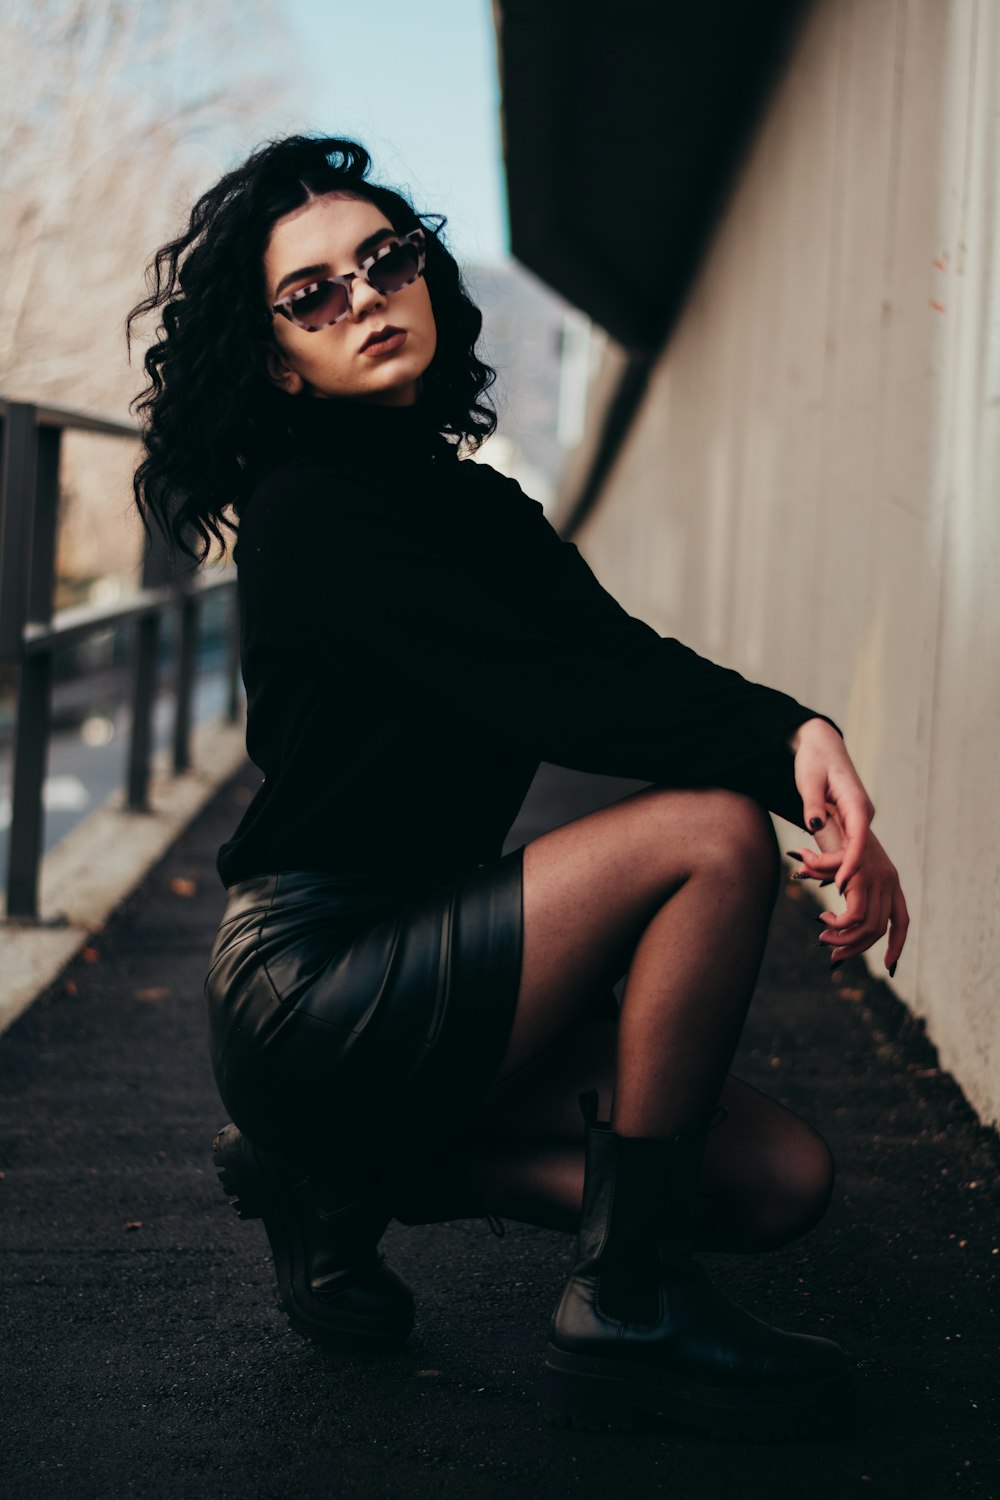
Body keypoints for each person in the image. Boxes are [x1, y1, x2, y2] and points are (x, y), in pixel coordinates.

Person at [126, 134, 909, 1442]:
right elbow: (559, 697)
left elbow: (620, 659)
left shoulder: (472, 508)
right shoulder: (314, 513)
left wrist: (803, 738)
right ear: (277, 358)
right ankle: (632, 1298)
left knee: (778, 1184)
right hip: (317, 980)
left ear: (426, 276)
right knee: (713, 837)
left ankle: (337, 1173)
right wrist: (777, 764)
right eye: (313, 294)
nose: (366, 297)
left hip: (455, 951)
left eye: (386, 261)